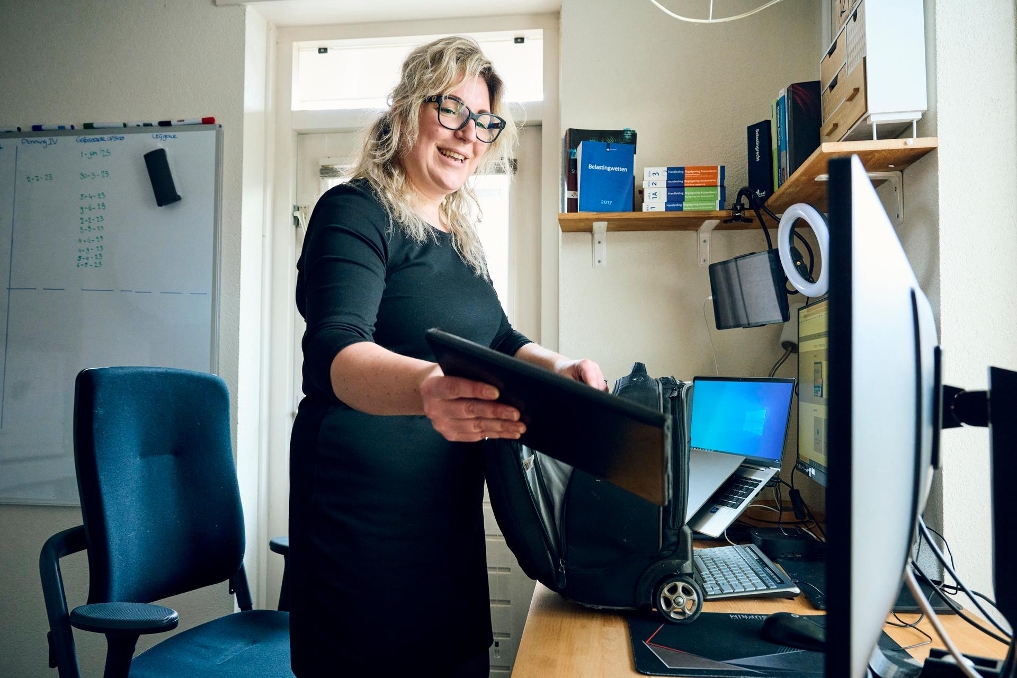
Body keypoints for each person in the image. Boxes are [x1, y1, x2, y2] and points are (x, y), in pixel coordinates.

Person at [288, 36, 607, 678]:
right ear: (409, 108)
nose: (469, 134)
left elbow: (502, 340)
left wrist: (559, 369)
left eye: (484, 121)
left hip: (445, 512)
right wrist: (429, 388)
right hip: (363, 522)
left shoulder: (458, 235)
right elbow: (333, 349)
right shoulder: (355, 210)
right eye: (452, 110)